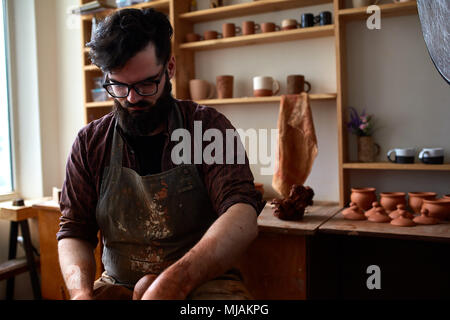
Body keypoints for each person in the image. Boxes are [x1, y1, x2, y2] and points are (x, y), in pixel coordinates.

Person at [57, 8, 265, 300]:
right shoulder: (90, 143)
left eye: (145, 84)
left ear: (169, 69)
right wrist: (80, 292)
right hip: (118, 286)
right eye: (118, 85)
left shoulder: (207, 129)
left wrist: (175, 281)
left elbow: (241, 214)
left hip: (202, 284)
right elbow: (74, 231)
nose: (131, 98)